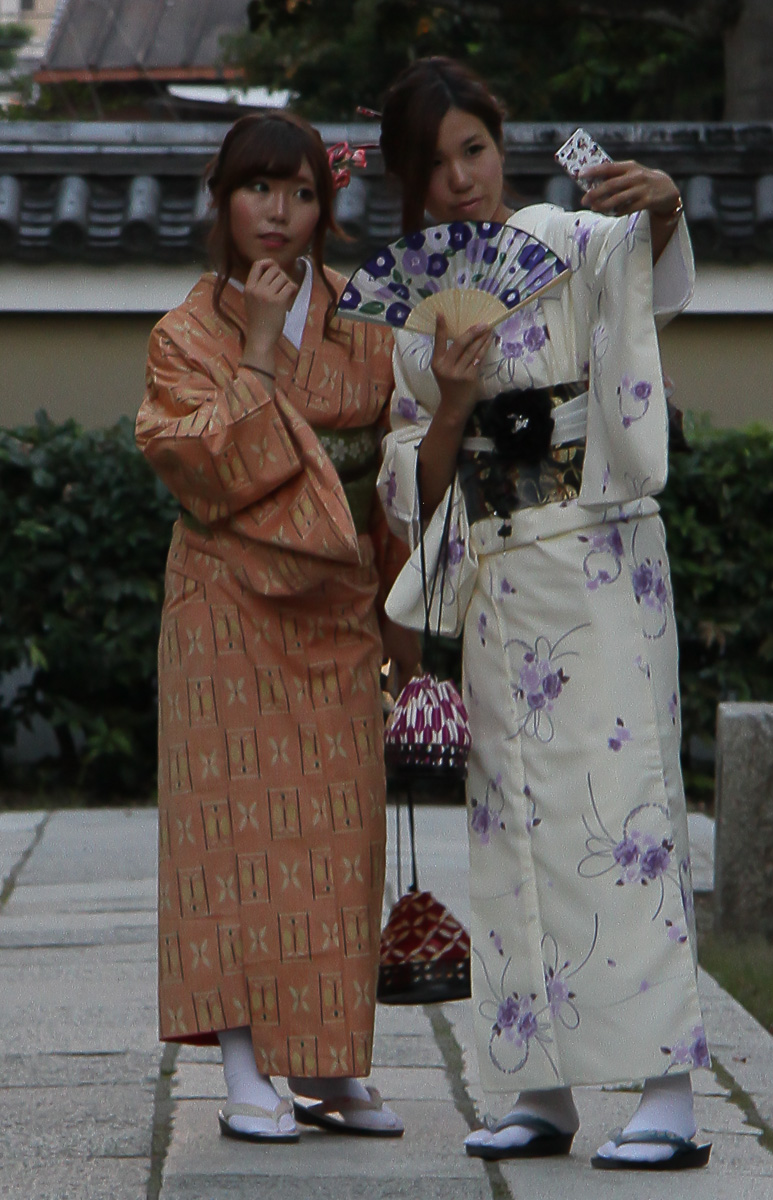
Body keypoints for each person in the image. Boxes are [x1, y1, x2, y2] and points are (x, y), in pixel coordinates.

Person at [377, 57, 712, 1171]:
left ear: (499, 145)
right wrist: (456, 396)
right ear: (410, 187)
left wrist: (659, 203)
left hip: (600, 562)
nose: (459, 180)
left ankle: (662, 1087)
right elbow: (412, 486)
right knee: (512, 829)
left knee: (621, 817)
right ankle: (538, 1088)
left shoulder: (562, 239)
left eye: (471, 149)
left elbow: (647, 283)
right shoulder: (417, 320)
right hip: (497, 580)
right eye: (434, 166)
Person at [136, 111, 413, 1144]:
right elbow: (199, 465)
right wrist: (255, 351)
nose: (279, 214)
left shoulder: (366, 320)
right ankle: (244, 1063)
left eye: (301, 194)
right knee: (230, 838)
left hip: (338, 609)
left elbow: (394, 472)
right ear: (223, 199)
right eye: (260, 190)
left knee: (335, 842)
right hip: (226, 607)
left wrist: (403, 618)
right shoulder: (184, 333)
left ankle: (331, 1064)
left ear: (322, 207)